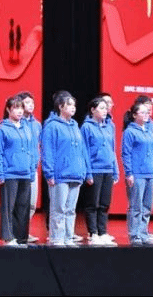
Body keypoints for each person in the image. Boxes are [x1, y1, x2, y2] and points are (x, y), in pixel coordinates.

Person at [41, 92, 92, 246]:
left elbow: (82, 150)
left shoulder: (75, 125)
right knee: (59, 209)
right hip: (60, 175)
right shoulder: (52, 126)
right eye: (69, 104)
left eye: (74, 105)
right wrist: (49, 173)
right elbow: (48, 151)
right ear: (60, 106)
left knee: (70, 210)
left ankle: (68, 238)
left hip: (76, 174)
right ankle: (57, 239)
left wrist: (85, 171)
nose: (73, 107)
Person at [0, 95, 36, 246]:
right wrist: (0, 173)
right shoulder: (2, 129)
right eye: (16, 108)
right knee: (8, 208)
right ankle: (8, 237)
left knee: (23, 207)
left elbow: (31, 151)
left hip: (25, 173)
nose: (19, 111)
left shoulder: (27, 128)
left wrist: (31, 170)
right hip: (9, 174)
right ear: (8, 110)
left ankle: (21, 237)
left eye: (21, 108)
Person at [80, 97, 119, 246]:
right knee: (92, 203)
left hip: (108, 169)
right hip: (94, 169)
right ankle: (93, 233)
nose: (105, 111)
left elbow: (112, 149)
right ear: (93, 110)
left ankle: (102, 232)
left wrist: (115, 170)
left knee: (104, 203)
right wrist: (88, 173)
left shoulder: (110, 127)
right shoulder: (86, 127)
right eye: (101, 108)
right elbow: (84, 151)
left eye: (106, 108)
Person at [121, 102, 153, 245]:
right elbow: (126, 153)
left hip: (149, 173)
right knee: (136, 206)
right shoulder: (130, 132)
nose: (146, 115)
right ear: (135, 115)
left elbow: (152, 152)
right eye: (142, 112)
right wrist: (129, 173)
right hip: (137, 173)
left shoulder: (149, 130)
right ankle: (134, 235)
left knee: (147, 206)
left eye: (147, 112)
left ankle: (143, 233)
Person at [17, 91, 42, 243]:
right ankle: (17, 232)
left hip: (33, 169)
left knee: (32, 204)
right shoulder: (16, 123)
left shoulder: (37, 124)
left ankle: (24, 231)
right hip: (19, 168)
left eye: (32, 103)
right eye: (27, 103)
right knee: (20, 203)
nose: (31, 105)